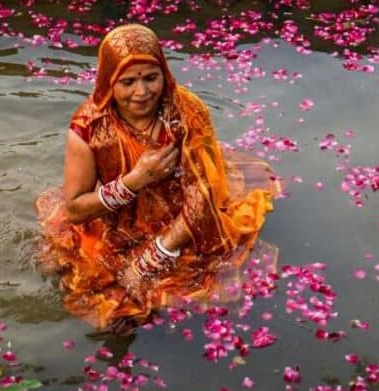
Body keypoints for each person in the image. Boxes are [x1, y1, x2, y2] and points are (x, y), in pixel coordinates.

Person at [36, 24, 278, 331]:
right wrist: (134, 181)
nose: (142, 92)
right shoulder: (89, 128)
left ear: (164, 74)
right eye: (128, 82)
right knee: (104, 306)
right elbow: (74, 209)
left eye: (151, 78)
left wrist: (153, 257)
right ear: (109, 83)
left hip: (181, 218)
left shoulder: (186, 113)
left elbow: (202, 193)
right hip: (113, 219)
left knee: (177, 290)